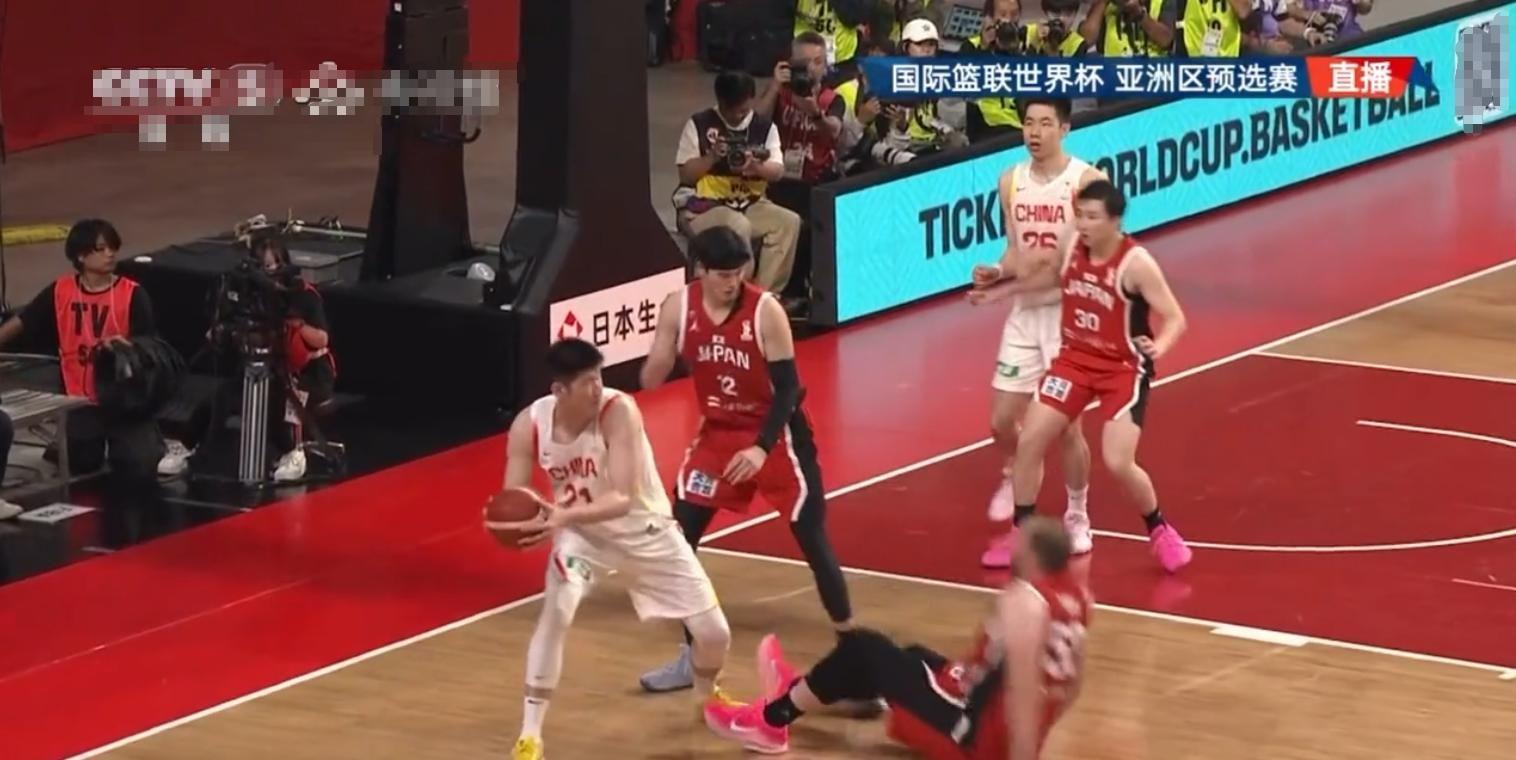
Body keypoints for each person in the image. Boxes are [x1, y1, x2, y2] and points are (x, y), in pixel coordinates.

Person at [494, 338, 739, 760]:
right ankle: (529, 735)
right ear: (559, 390)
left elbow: (623, 497)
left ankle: (706, 694)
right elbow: (513, 496)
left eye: (599, 378)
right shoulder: (528, 426)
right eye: (587, 382)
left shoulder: (619, 410)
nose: (597, 388)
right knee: (557, 612)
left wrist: (561, 516)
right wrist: (521, 524)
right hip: (584, 537)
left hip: (646, 531)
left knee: (715, 635)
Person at [637, 226, 855, 694]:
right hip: (719, 433)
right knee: (680, 540)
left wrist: (760, 447)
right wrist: (653, 365)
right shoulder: (678, 306)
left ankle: (855, 656)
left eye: (738, 273)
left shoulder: (765, 311)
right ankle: (693, 657)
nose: (732, 282)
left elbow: (789, 390)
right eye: (722, 274)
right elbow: (653, 374)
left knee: (812, 539)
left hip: (777, 435)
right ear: (700, 270)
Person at [703, 516, 1091, 758]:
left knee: (864, 648)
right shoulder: (1078, 599)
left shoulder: (1025, 602)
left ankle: (772, 720)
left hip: (975, 736)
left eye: (1019, 544)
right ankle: (802, 690)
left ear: (1034, 557)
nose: (1012, 547)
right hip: (991, 719)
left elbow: (1023, 694)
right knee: (912, 655)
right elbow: (1070, 687)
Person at [1001, 181, 1192, 573]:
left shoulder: (1136, 263)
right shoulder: (1072, 244)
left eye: (1092, 217)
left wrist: (1160, 346)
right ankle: (1021, 534)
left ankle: (1159, 528)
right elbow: (1051, 277)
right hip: (1074, 360)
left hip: (1122, 367)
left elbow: (1175, 317)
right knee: (1030, 441)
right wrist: (1000, 289)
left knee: (1118, 460)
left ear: (1115, 221)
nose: (1083, 224)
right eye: (1080, 215)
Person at [969, 97, 1103, 569]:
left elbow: (1070, 266)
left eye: (1046, 123)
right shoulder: (1011, 181)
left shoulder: (1086, 183)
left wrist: (1005, 289)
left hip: (1069, 320)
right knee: (1001, 423)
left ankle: (1078, 515)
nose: (1035, 132)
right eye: (1029, 122)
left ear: (1064, 129)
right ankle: (1016, 473)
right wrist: (996, 271)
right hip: (1025, 316)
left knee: (1066, 428)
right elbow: (1014, 250)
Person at [0, 219, 165, 500]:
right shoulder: (61, 290)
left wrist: (128, 348)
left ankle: (149, 439)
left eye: (112, 247)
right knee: (82, 462)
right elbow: (23, 322)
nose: (110, 254)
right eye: (101, 249)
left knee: (137, 463)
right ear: (80, 256)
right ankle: (64, 442)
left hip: (125, 400)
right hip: (81, 399)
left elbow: (151, 347)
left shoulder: (133, 294)